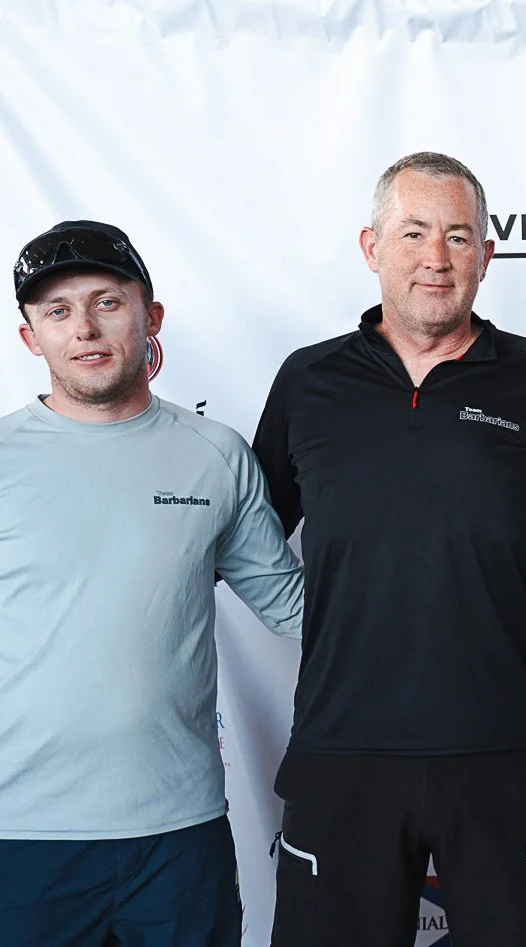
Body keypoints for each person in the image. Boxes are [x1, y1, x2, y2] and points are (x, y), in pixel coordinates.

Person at [252, 153, 526, 946]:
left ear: (485, 256)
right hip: (342, 752)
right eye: (414, 232)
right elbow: (243, 536)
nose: (437, 257)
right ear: (371, 247)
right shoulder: (309, 380)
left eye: (458, 237)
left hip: (506, 752)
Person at [0, 220, 304, 945]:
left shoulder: (215, 455)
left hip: (178, 835)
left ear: (151, 316)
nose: (85, 328)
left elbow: (297, 609)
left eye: (107, 302)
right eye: (58, 310)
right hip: (22, 834)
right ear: (30, 337)